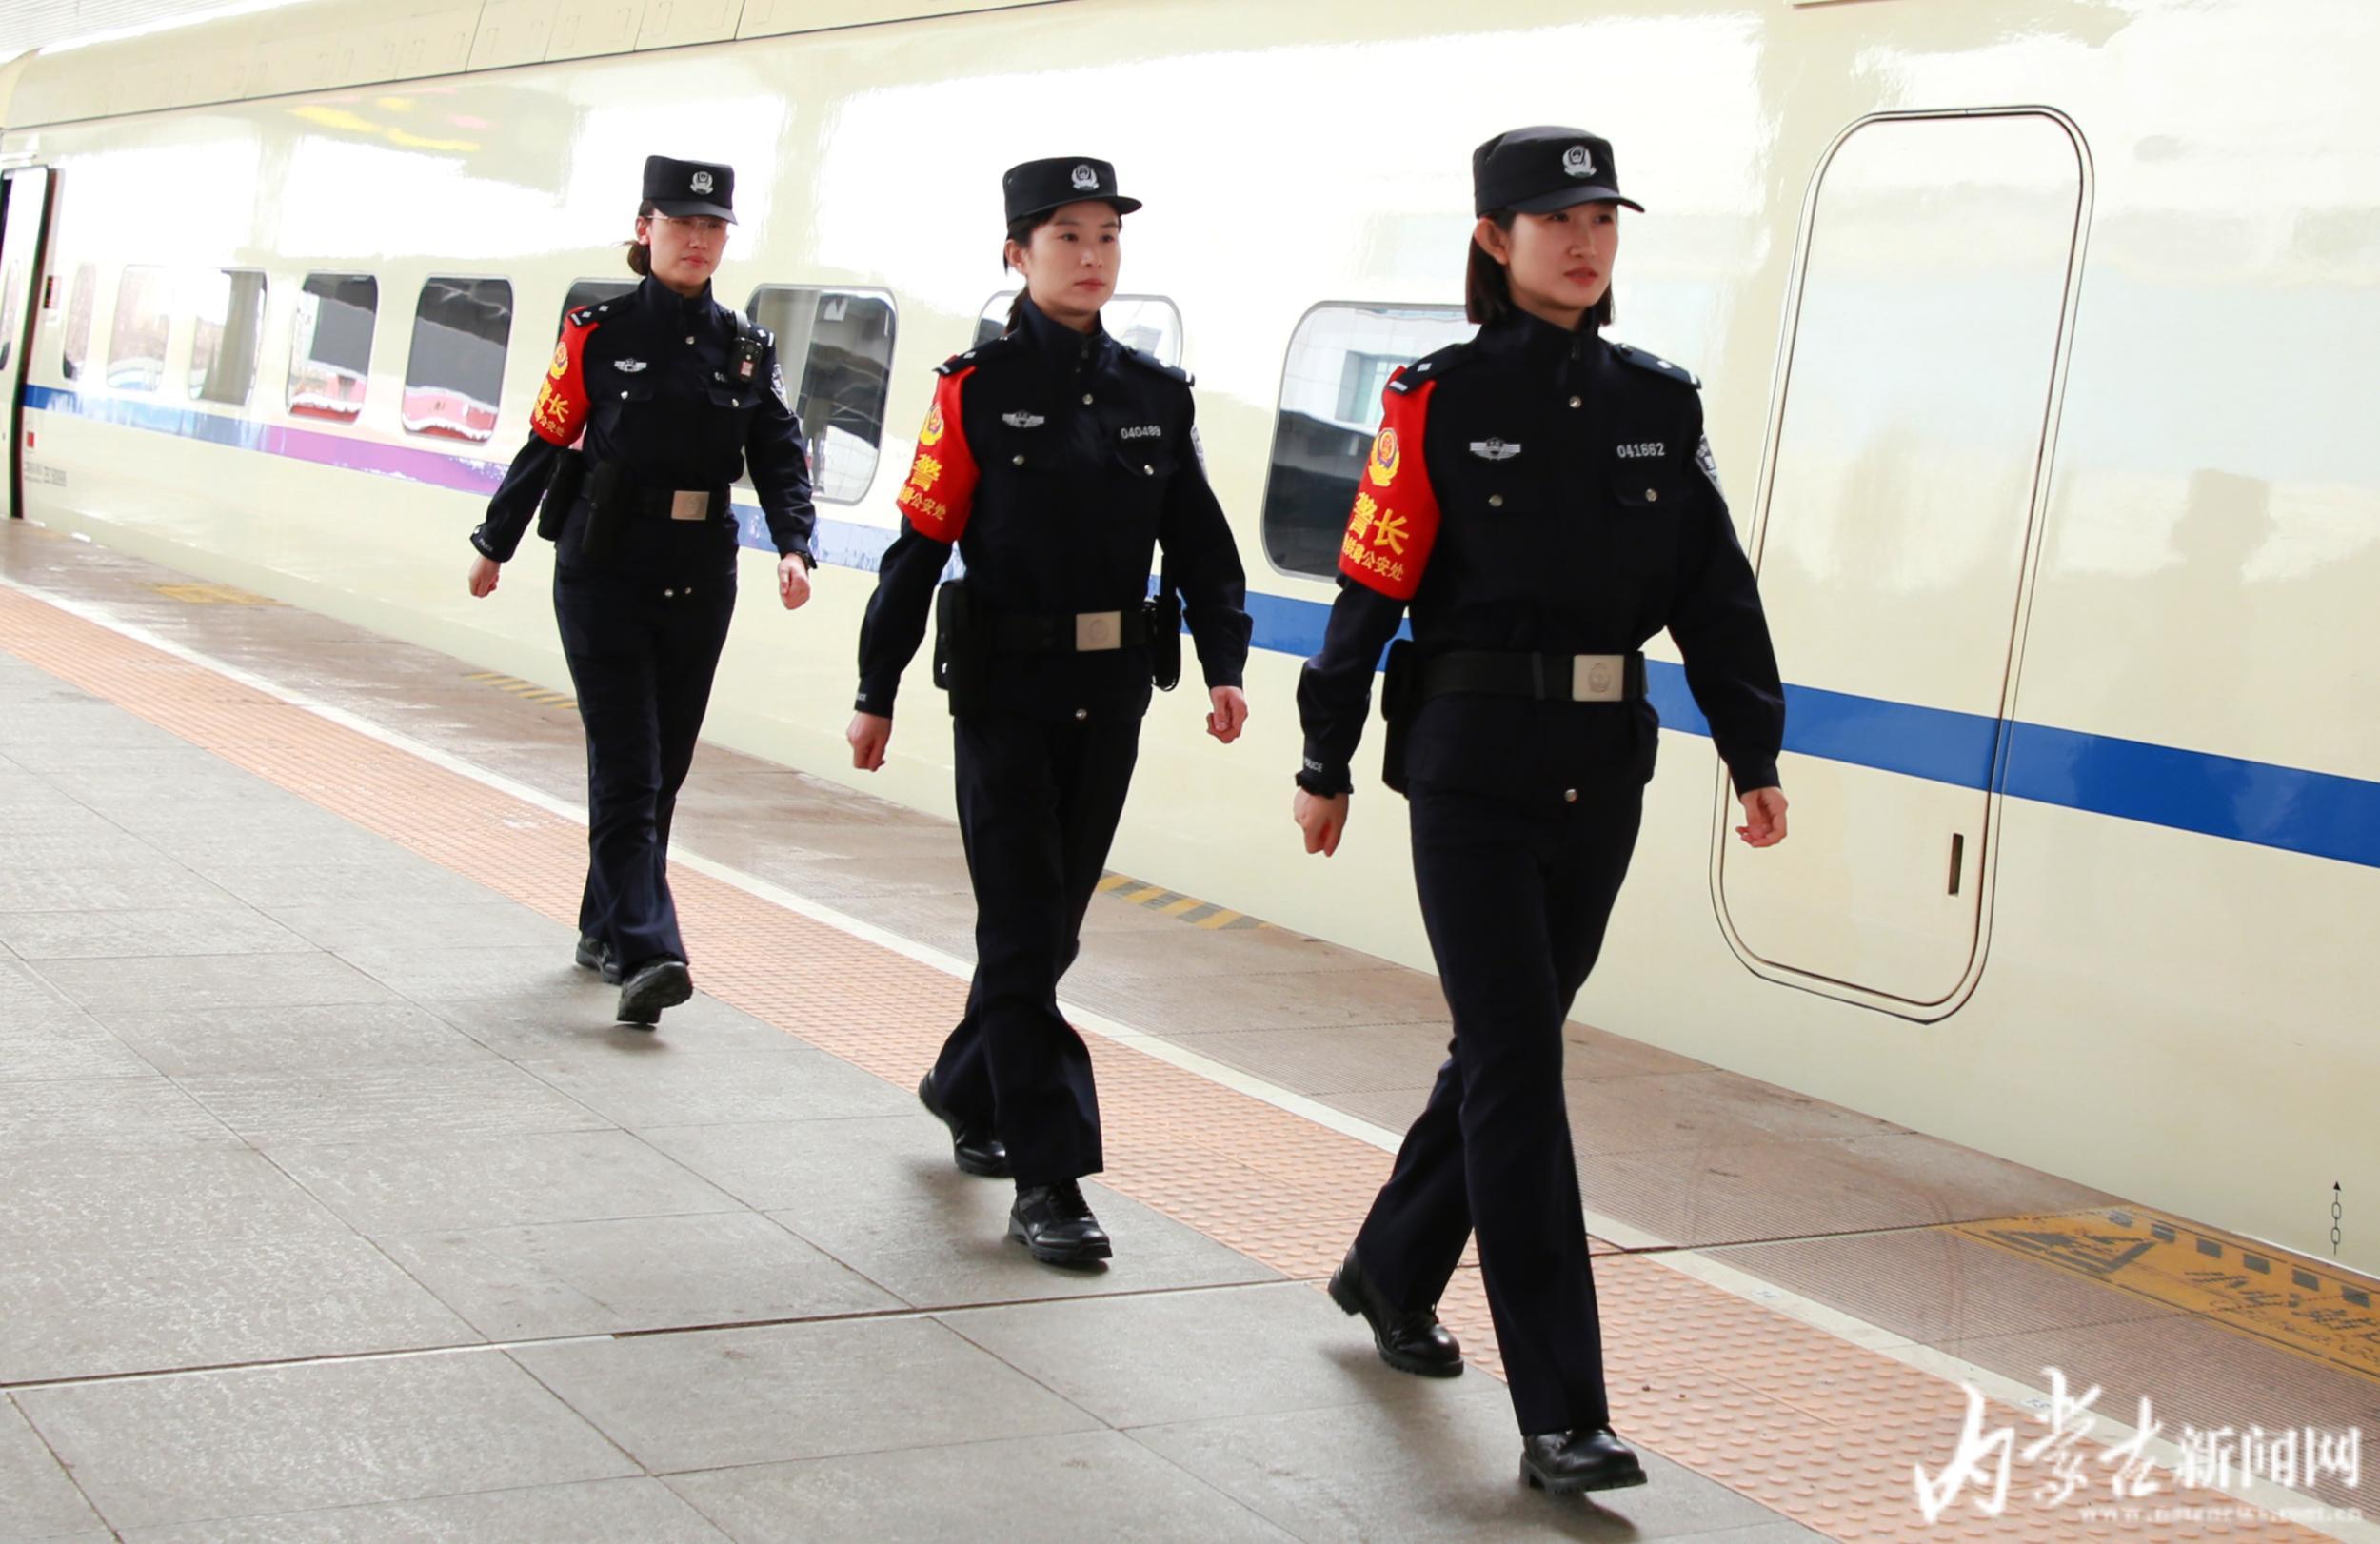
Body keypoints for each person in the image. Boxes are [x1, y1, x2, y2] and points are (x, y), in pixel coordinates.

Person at [1291, 127, 1789, 1495]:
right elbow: (1368, 587)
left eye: (1602, 219)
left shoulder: (1658, 403)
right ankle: (1563, 1411)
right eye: (1555, 218)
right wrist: (1326, 756)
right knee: (1520, 1065)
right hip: (1469, 765)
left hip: (1602, 766)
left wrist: (1752, 747)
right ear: (1492, 238)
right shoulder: (1435, 400)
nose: (1583, 241)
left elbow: (1715, 590)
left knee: (1504, 1049)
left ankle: (1391, 1263)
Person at [849, 157, 1253, 1265]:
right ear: (1016, 255)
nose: (1091, 256)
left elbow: (1202, 545)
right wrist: (876, 688)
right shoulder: (972, 391)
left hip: (1110, 693)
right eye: (1067, 236)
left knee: (1051, 925)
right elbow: (917, 550)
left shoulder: (1156, 395)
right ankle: (1049, 1177)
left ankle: (962, 1080)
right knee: (1025, 924)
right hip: (1003, 694)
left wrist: (1224, 663)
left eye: (1106, 237)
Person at [466, 155, 818, 1026]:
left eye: (713, 227)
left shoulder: (747, 347)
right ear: (644, 228)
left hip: (699, 570)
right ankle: (650, 950)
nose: (698, 239)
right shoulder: (597, 332)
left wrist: (795, 545)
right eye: (681, 223)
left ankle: (602, 925)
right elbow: (548, 440)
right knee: (629, 764)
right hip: (603, 565)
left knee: (665, 768)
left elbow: (778, 452)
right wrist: (495, 542)